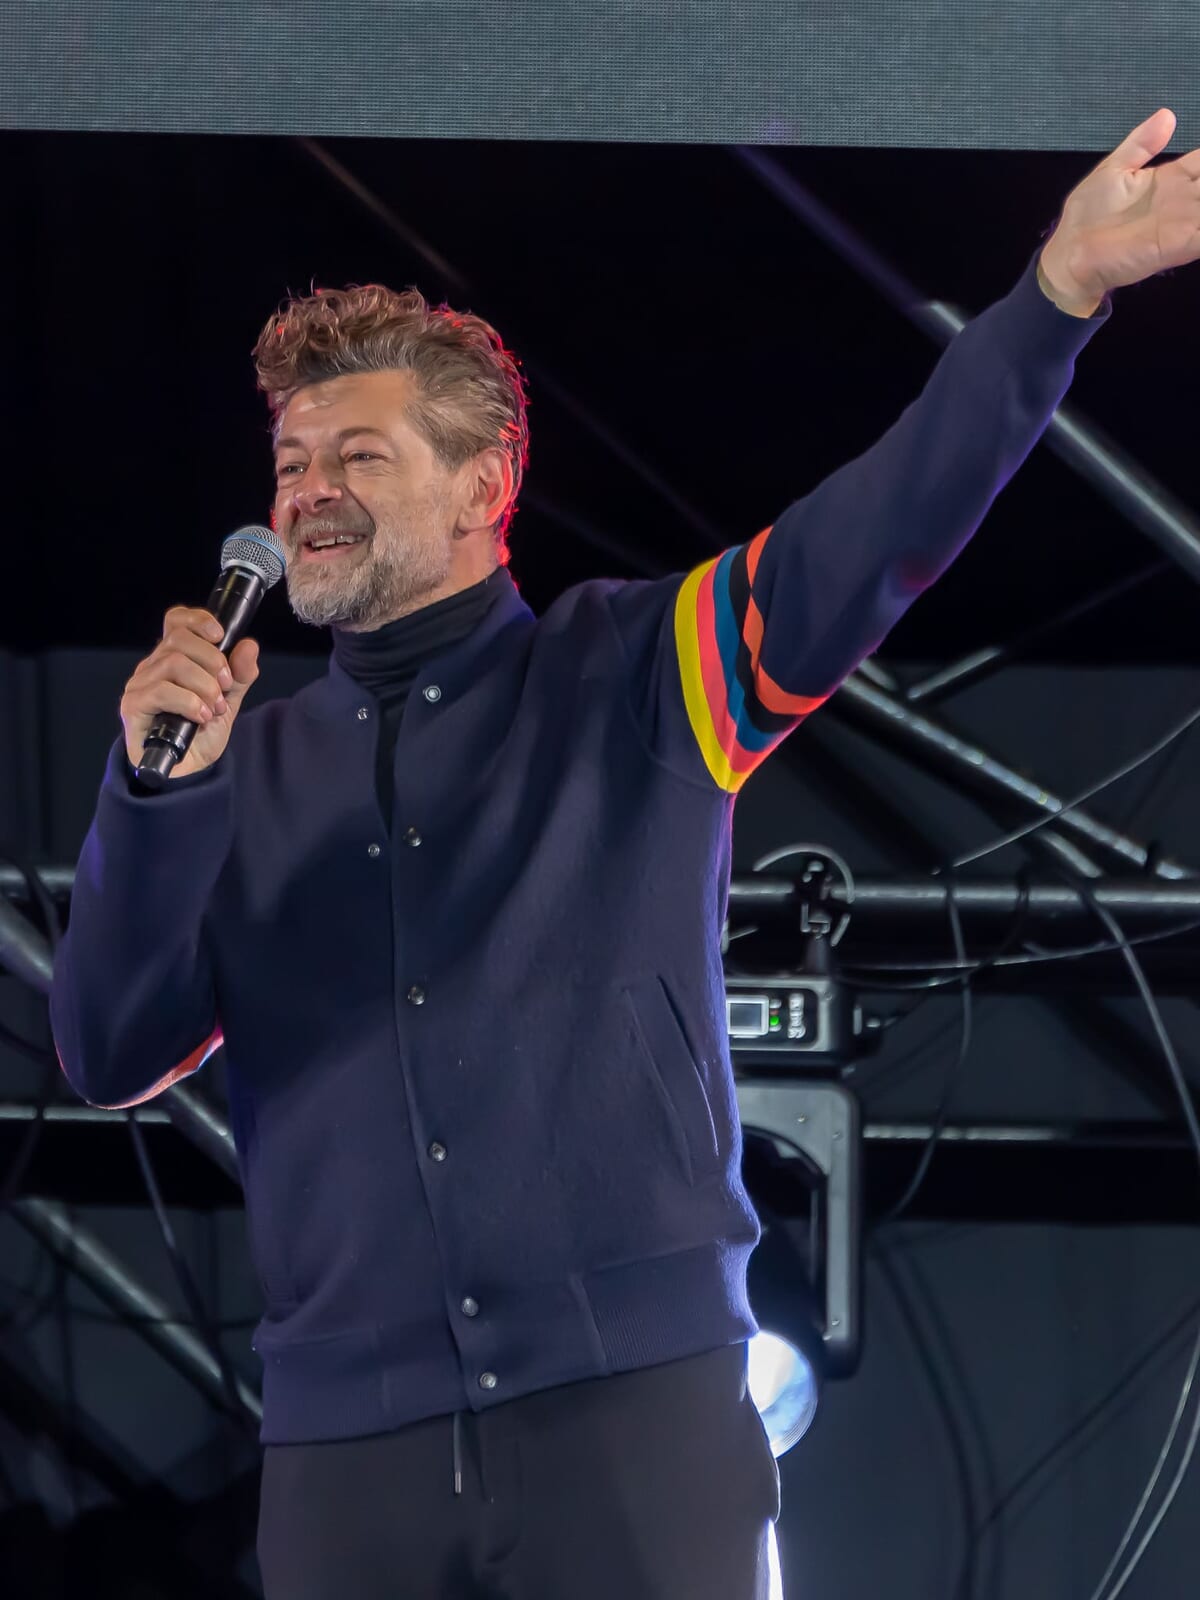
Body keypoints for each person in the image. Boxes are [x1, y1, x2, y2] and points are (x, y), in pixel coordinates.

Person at [51, 109, 1200, 1599]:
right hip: (346, 1458)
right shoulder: (233, 768)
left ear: (483, 486)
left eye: (357, 454)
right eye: (290, 460)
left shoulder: (636, 670)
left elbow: (883, 526)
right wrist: (151, 802)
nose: (306, 490)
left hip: (635, 1412)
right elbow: (107, 1049)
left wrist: (1054, 297)